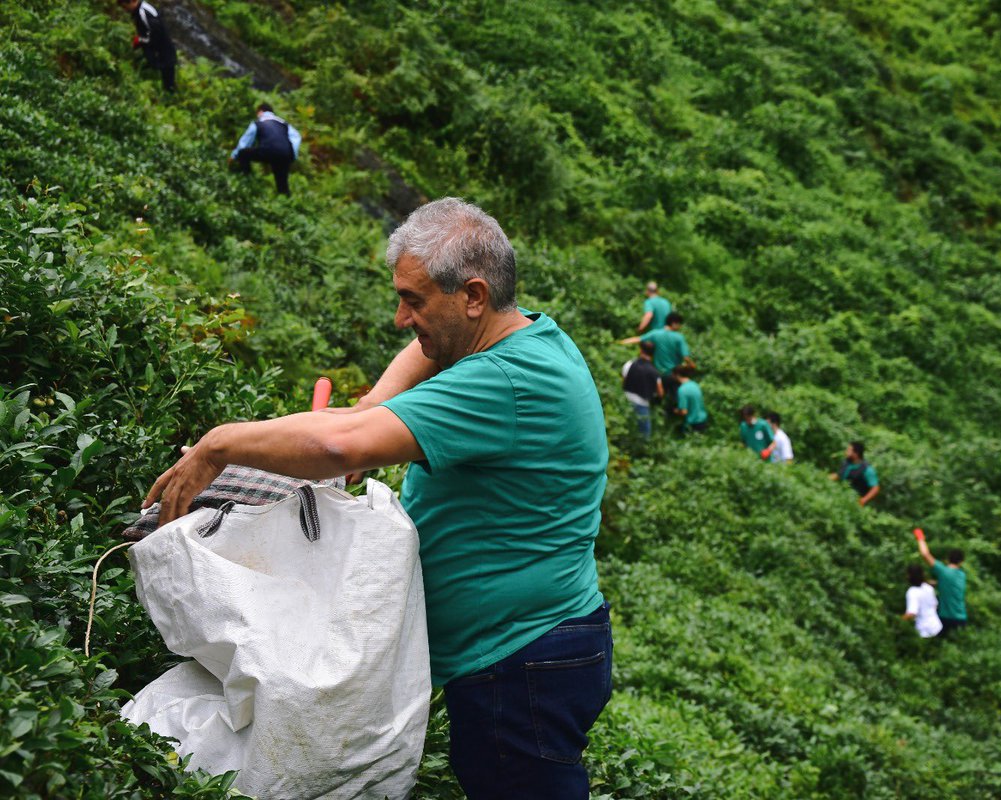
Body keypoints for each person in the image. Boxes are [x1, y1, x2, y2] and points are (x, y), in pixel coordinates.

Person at [143, 198, 612, 800]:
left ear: (473, 296)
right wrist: (374, 406)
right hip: (530, 650)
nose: (399, 318)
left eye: (413, 300)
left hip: (521, 664)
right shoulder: (525, 337)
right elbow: (421, 355)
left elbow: (343, 451)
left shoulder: (501, 382)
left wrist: (219, 445)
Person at [618, 311, 692, 412]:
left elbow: (638, 339)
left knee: (656, 397)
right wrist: (692, 366)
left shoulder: (656, 334)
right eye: (679, 324)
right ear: (674, 323)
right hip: (673, 375)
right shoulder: (679, 338)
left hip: (658, 373)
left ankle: (655, 411)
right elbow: (686, 357)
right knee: (674, 399)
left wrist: (619, 342)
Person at [230, 103, 302, 196]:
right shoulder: (284, 123)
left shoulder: (258, 123)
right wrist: (292, 155)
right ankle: (286, 201)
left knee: (243, 153)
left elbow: (245, 142)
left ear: (260, 111)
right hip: (285, 154)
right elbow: (296, 136)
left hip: (267, 151)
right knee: (282, 184)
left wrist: (234, 156)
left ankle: (246, 180)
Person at [914, 528, 968, 635]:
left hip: (945, 618)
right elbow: (947, 585)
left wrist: (920, 537)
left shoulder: (943, 571)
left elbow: (925, 554)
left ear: (948, 559)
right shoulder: (962, 575)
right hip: (962, 618)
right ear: (961, 562)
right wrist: (931, 583)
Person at [119, 0, 176, 93]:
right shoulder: (141, 9)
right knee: (161, 70)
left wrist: (140, 40)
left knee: (167, 74)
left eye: (125, 7)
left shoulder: (143, 12)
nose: (125, 10)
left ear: (132, 2)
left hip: (162, 48)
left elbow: (156, 33)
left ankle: (169, 96)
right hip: (158, 47)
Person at [621, 340, 663, 438]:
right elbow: (660, 392)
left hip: (626, 399)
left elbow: (623, 381)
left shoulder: (629, 364)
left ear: (641, 350)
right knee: (644, 433)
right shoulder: (654, 372)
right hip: (642, 403)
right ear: (653, 354)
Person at [829, 441, 880, 507]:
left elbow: (875, 488)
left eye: (848, 450)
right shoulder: (846, 462)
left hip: (854, 502)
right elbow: (839, 475)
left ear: (856, 454)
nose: (846, 452)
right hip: (840, 497)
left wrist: (863, 500)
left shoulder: (867, 470)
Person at [901, 564, 943, 638]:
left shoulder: (912, 592)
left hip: (924, 631)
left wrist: (899, 622)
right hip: (937, 626)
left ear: (909, 576)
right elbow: (935, 605)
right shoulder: (928, 588)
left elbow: (912, 613)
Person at [672, 364, 708, 433]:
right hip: (703, 421)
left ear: (677, 375)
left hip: (692, 424)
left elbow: (684, 412)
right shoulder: (695, 385)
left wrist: (675, 411)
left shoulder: (682, 390)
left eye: (673, 375)